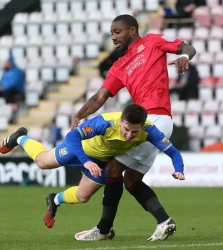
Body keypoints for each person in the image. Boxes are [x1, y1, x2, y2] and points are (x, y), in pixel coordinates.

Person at [70, 14, 196, 241]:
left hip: (153, 120)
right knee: (131, 180)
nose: (113, 37)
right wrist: (80, 114)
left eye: (117, 32)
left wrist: (185, 55)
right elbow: (101, 96)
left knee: (112, 170)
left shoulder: (153, 42)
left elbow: (186, 47)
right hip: (152, 123)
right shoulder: (119, 66)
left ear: (132, 30)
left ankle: (103, 229)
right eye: (111, 33)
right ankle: (164, 221)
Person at [0, 104, 185, 234]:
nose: (129, 136)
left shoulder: (150, 131)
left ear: (142, 126)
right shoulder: (105, 123)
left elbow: (173, 152)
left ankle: (54, 199)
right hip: (80, 149)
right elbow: (72, 136)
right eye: (126, 129)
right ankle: (20, 138)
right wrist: (86, 161)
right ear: (121, 120)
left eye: (134, 132)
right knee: (42, 162)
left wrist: (179, 169)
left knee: (83, 197)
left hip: (102, 161)